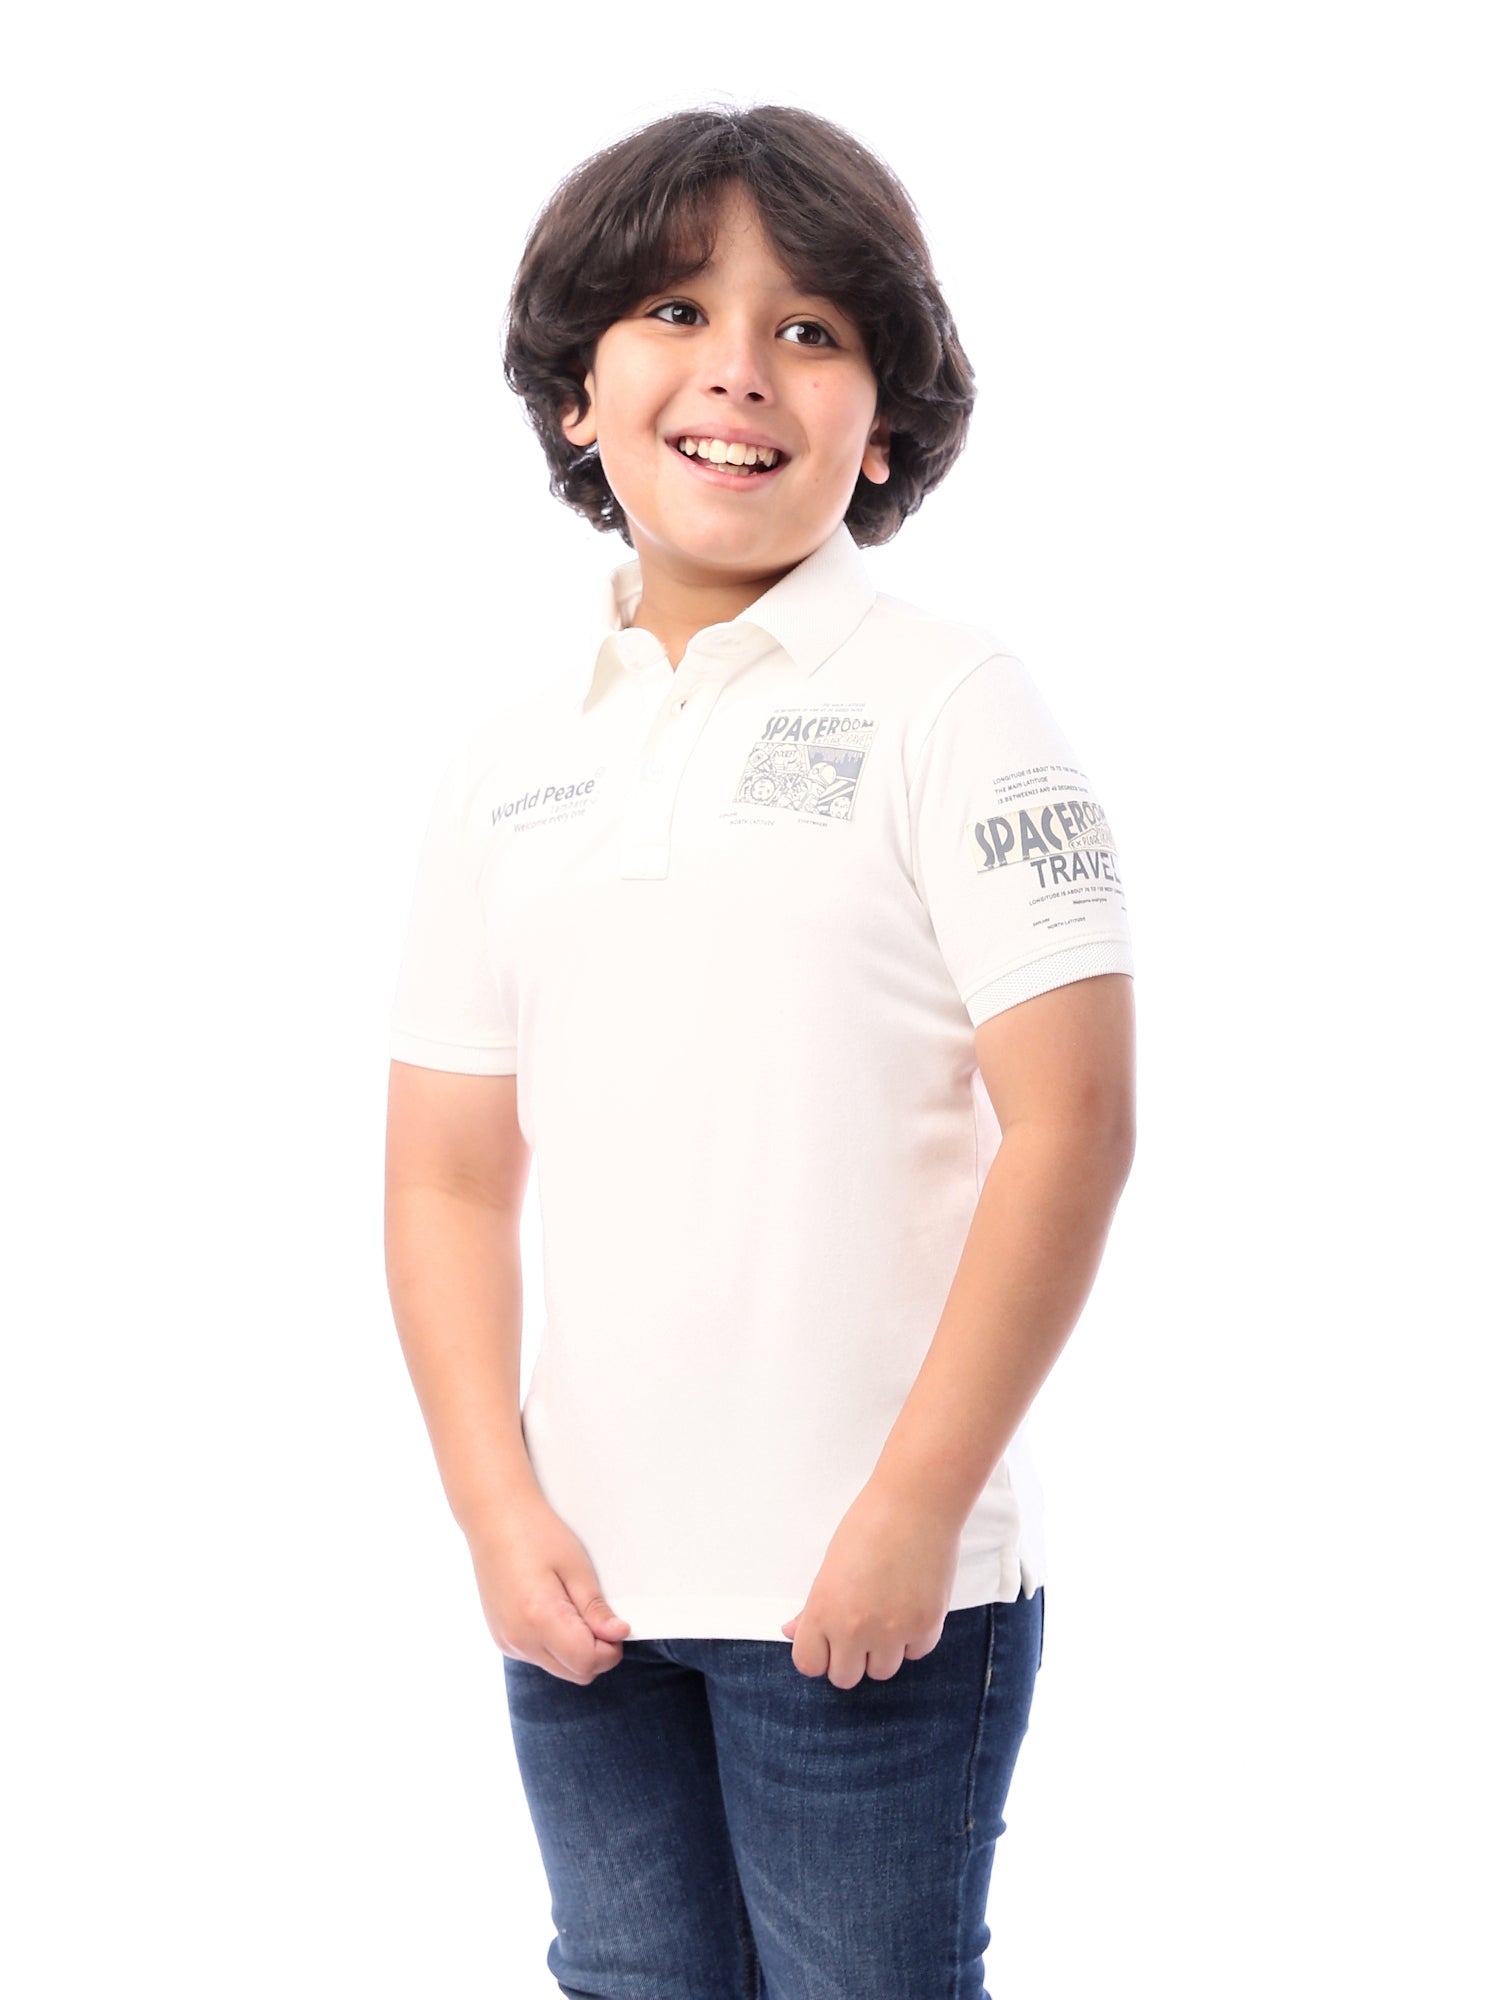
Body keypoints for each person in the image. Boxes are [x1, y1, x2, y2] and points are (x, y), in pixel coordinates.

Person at [384, 101, 1136, 2000]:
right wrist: (493, 1508)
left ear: (883, 421)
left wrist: (910, 1510)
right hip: (586, 1600)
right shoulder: (509, 762)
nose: (737, 369)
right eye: (673, 312)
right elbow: (449, 1175)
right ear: (579, 393)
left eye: (810, 329)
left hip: (868, 1604)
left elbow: (1074, 1125)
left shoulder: (955, 704)